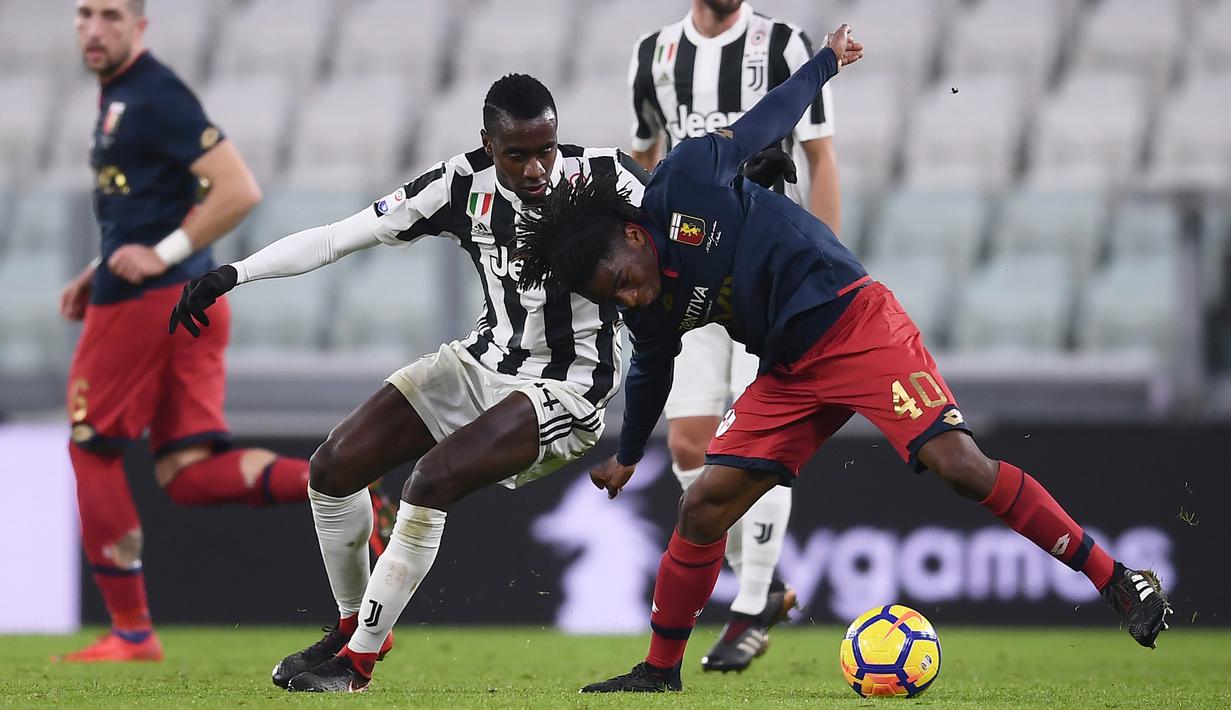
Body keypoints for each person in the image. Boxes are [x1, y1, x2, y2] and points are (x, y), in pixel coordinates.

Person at [514, 26, 1173, 693]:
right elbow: (649, 372)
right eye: (614, 299)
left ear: (634, 234)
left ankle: (1116, 580)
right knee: (703, 506)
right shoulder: (647, 307)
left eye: (624, 280)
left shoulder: (685, 180)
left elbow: (765, 120)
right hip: (789, 367)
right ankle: (659, 673)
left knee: (959, 466)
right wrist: (629, 454)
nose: (630, 297)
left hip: (855, 323)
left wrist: (825, 61)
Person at [170, 74, 676, 693]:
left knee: (430, 479)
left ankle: (356, 664)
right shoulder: (459, 185)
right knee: (331, 468)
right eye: (517, 153)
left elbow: (683, 226)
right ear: (487, 144)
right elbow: (336, 238)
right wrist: (234, 274)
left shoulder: (604, 176)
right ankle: (353, 625)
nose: (536, 168)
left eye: (545, 148)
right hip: (480, 362)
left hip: (569, 386)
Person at [56, 0, 381, 663]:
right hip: (182, 304)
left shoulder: (153, 93)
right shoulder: (124, 97)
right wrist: (100, 265)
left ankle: (131, 630)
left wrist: (161, 255)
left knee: (93, 449)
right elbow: (148, 204)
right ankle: (346, 487)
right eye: (84, 14)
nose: (94, 28)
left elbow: (237, 188)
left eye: (111, 15)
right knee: (188, 472)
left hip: (143, 304)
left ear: (139, 26)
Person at [628, 0, 842, 671]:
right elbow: (643, 158)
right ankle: (767, 584)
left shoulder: (782, 44)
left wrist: (825, 264)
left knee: (760, 444)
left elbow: (819, 157)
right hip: (689, 275)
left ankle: (749, 607)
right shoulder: (653, 54)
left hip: (769, 276)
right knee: (688, 444)